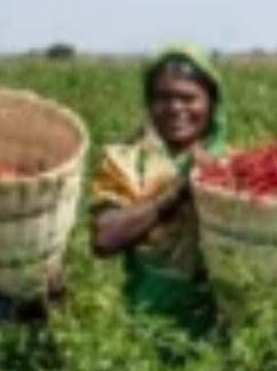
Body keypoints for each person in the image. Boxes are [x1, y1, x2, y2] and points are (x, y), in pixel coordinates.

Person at [90, 45, 224, 331]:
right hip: (145, 320)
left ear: (211, 104)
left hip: (220, 326)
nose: (176, 108)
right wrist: (176, 193)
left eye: (189, 98)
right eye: (163, 98)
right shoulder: (125, 161)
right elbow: (104, 238)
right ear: (149, 104)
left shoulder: (230, 163)